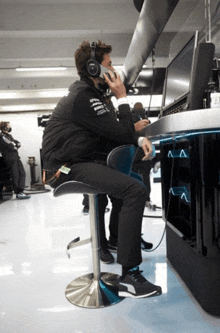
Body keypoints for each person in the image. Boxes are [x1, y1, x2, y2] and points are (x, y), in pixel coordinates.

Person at [41, 40, 162, 298]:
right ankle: (129, 275)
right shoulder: (84, 97)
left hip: (79, 160)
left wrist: (138, 138)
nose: (113, 69)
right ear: (94, 68)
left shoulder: (94, 96)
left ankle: (119, 241)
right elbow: (120, 132)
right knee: (135, 190)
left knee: (129, 181)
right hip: (62, 168)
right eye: (109, 64)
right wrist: (122, 97)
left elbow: (117, 133)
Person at [0, 122, 31, 199]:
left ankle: (21, 191)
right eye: (8, 126)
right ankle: (18, 192)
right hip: (10, 158)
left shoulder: (9, 136)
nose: (10, 127)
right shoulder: (2, 136)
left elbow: (17, 143)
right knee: (15, 175)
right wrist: (15, 145)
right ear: (5, 128)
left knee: (22, 173)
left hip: (16, 157)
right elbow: (11, 146)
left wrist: (15, 145)